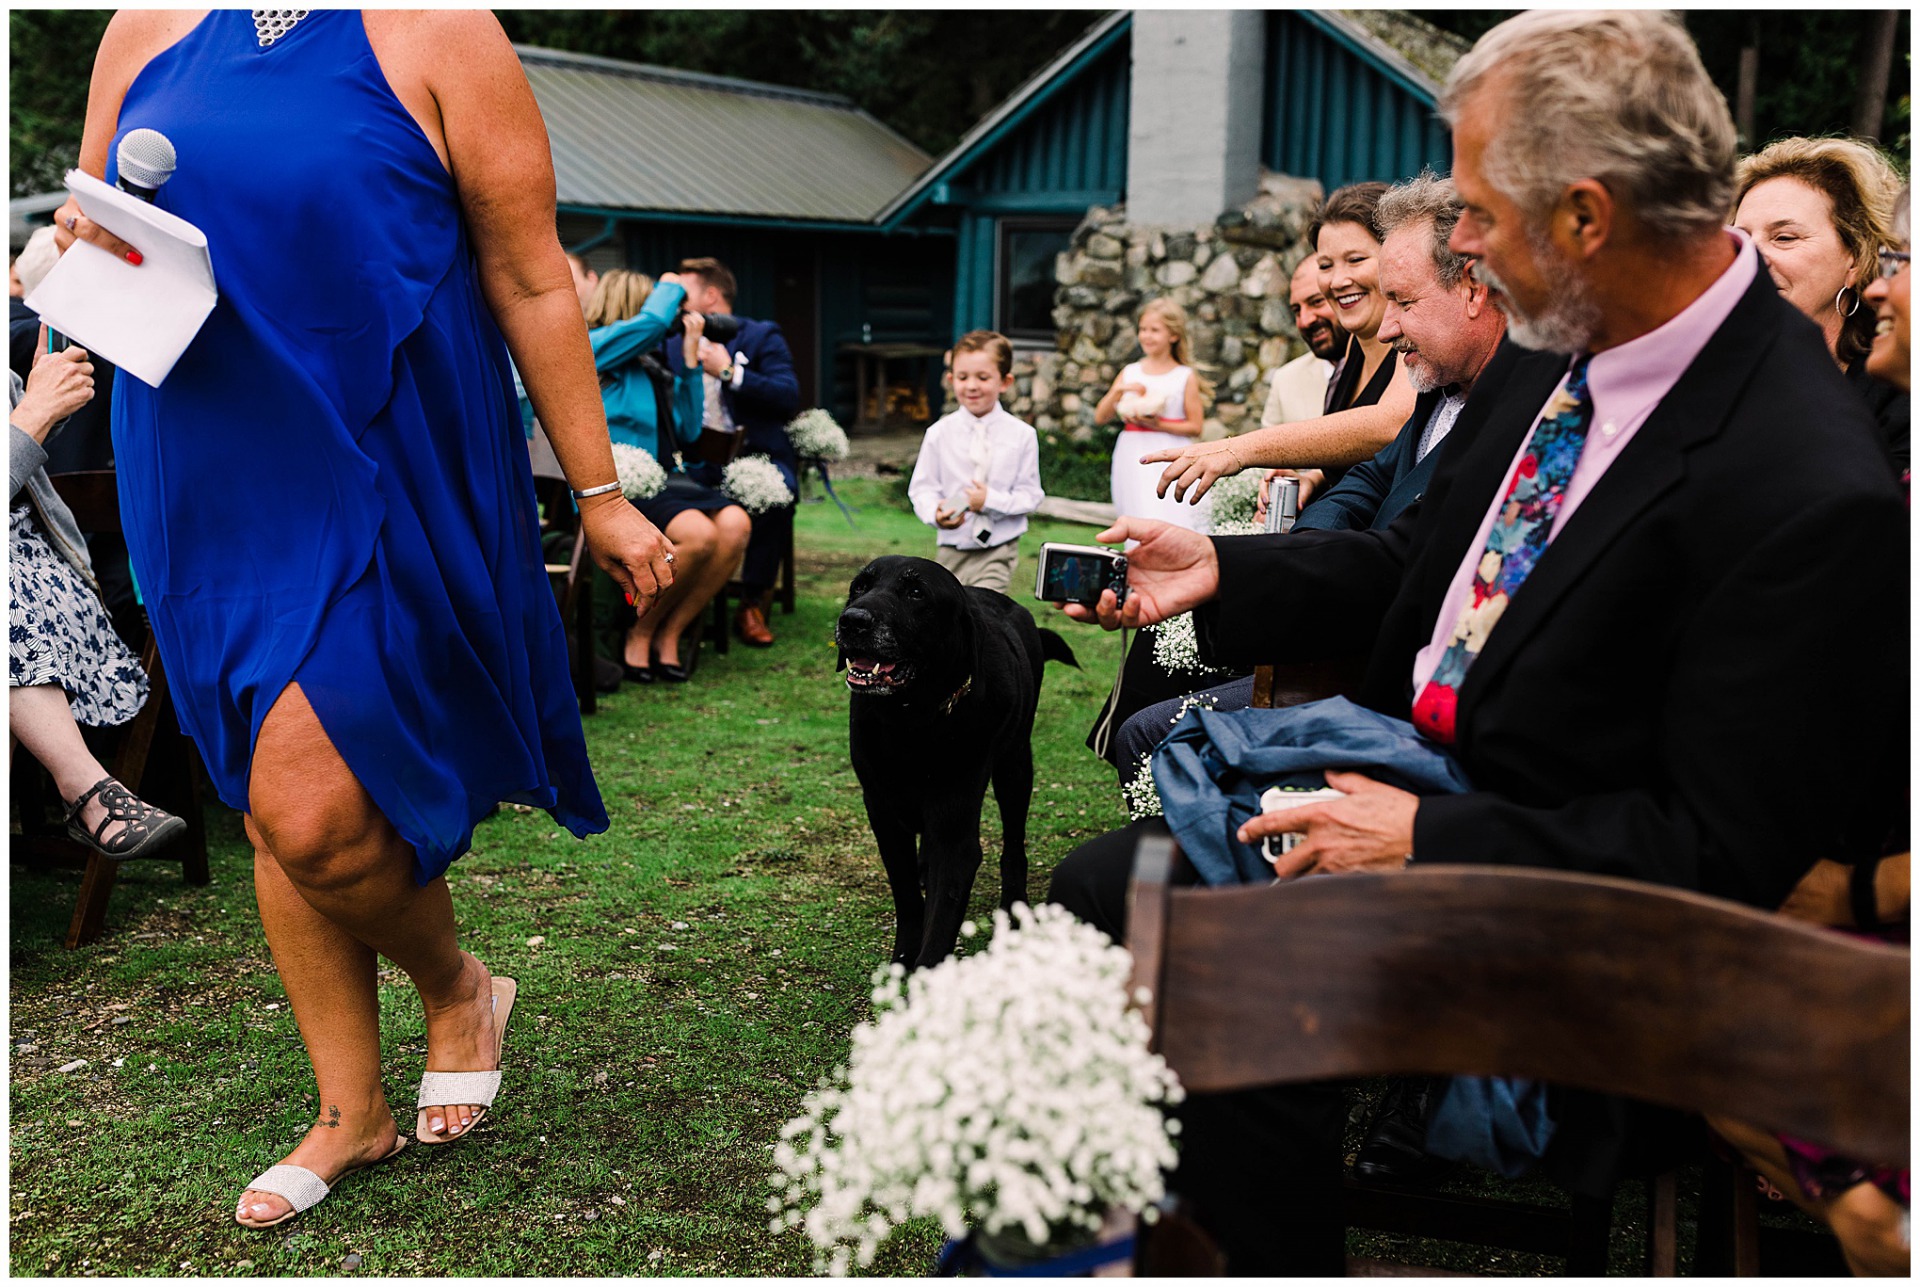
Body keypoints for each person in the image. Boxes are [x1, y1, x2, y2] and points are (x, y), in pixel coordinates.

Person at [1047, 11, 1906, 1273]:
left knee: (1164, 919)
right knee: (1130, 889)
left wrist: (1423, 837)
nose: (1457, 244)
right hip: (1425, 792)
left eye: (1480, 212)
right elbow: (1416, 569)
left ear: (1588, 217)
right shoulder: (1560, 353)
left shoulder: (1799, 480)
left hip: (1580, 932)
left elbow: (1715, 853)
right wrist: (1220, 566)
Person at [54, 10, 675, 1228]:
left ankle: (457, 986)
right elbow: (95, 225)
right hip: (197, 453)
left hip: (375, 448)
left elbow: (533, 272)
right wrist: (72, 257)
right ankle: (353, 1109)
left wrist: (600, 492)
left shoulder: (441, 30)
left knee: (310, 801)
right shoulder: (146, 24)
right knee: (271, 795)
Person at [1112, 171, 1509, 792]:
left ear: (1475, 288)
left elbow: (1406, 556)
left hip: (1388, 687)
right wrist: (1270, 552)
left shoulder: (1510, 406)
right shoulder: (1438, 387)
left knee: (1152, 736)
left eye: (1400, 299)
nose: (1387, 326)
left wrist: (1237, 551)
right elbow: (1363, 488)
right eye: (1327, 264)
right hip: (1339, 627)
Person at [1141, 183, 1420, 507]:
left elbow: (1389, 424)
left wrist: (1238, 450)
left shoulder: (1413, 338)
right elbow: (1371, 462)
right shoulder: (1352, 348)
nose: (1337, 280)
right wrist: (1312, 478)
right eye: (1326, 265)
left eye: (1355, 259)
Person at [10, 350, 183, 859]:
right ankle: (87, 790)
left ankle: (87, 793)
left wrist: (46, 406)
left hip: (43, 602)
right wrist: (32, 415)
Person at [585, 268, 751, 681]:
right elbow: (656, 322)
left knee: (735, 523)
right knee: (698, 535)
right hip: (619, 487)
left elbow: (690, 430)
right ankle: (638, 633)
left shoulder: (651, 366)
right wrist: (671, 281)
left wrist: (691, 361)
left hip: (664, 480)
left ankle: (669, 632)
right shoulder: (593, 349)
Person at [1732, 136, 1907, 478]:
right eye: (1738, 240)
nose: (1750, 259)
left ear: (1855, 257)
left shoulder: (1901, 391)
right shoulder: (1706, 376)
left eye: (1784, 238)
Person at [673, 256, 802, 648]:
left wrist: (731, 373)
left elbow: (787, 396)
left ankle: (752, 602)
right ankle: (687, 597)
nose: (675, 304)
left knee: (776, 497)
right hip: (693, 459)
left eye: (684, 294)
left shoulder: (760, 335)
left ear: (710, 296)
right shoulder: (668, 338)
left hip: (754, 455)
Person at [906, 329, 1043, 593]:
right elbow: (922, 488)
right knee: (952, 614)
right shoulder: (938, 434)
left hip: (998, 547)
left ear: (1005, 381)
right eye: (962, 377)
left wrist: (989, 501)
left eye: (982, 377)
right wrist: (936, 513)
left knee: (984, 607)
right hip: (952, 546)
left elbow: (1030, 495)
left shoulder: (1022, 435)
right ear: (950, 379)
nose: (971, 386)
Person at [1095, 297, 1213, 533]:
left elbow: (1195, 426)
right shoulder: (1130, 372)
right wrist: (1117, 391)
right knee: (1137, 510)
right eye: (1143, 329)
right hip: (1132, 452)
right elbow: (1100, 417)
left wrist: (1159, 424)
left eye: (1155, 330)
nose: (1147, 336)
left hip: (1170, 450)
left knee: (1170, 513)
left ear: (1173, 335)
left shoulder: (1183, 376)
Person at [1255, 256, 1348, 506]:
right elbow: (1267, 460)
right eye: (1296, 310)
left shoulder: (1395, 369)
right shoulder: (1286, 379)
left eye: (1316, 302)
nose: (1305, 320)